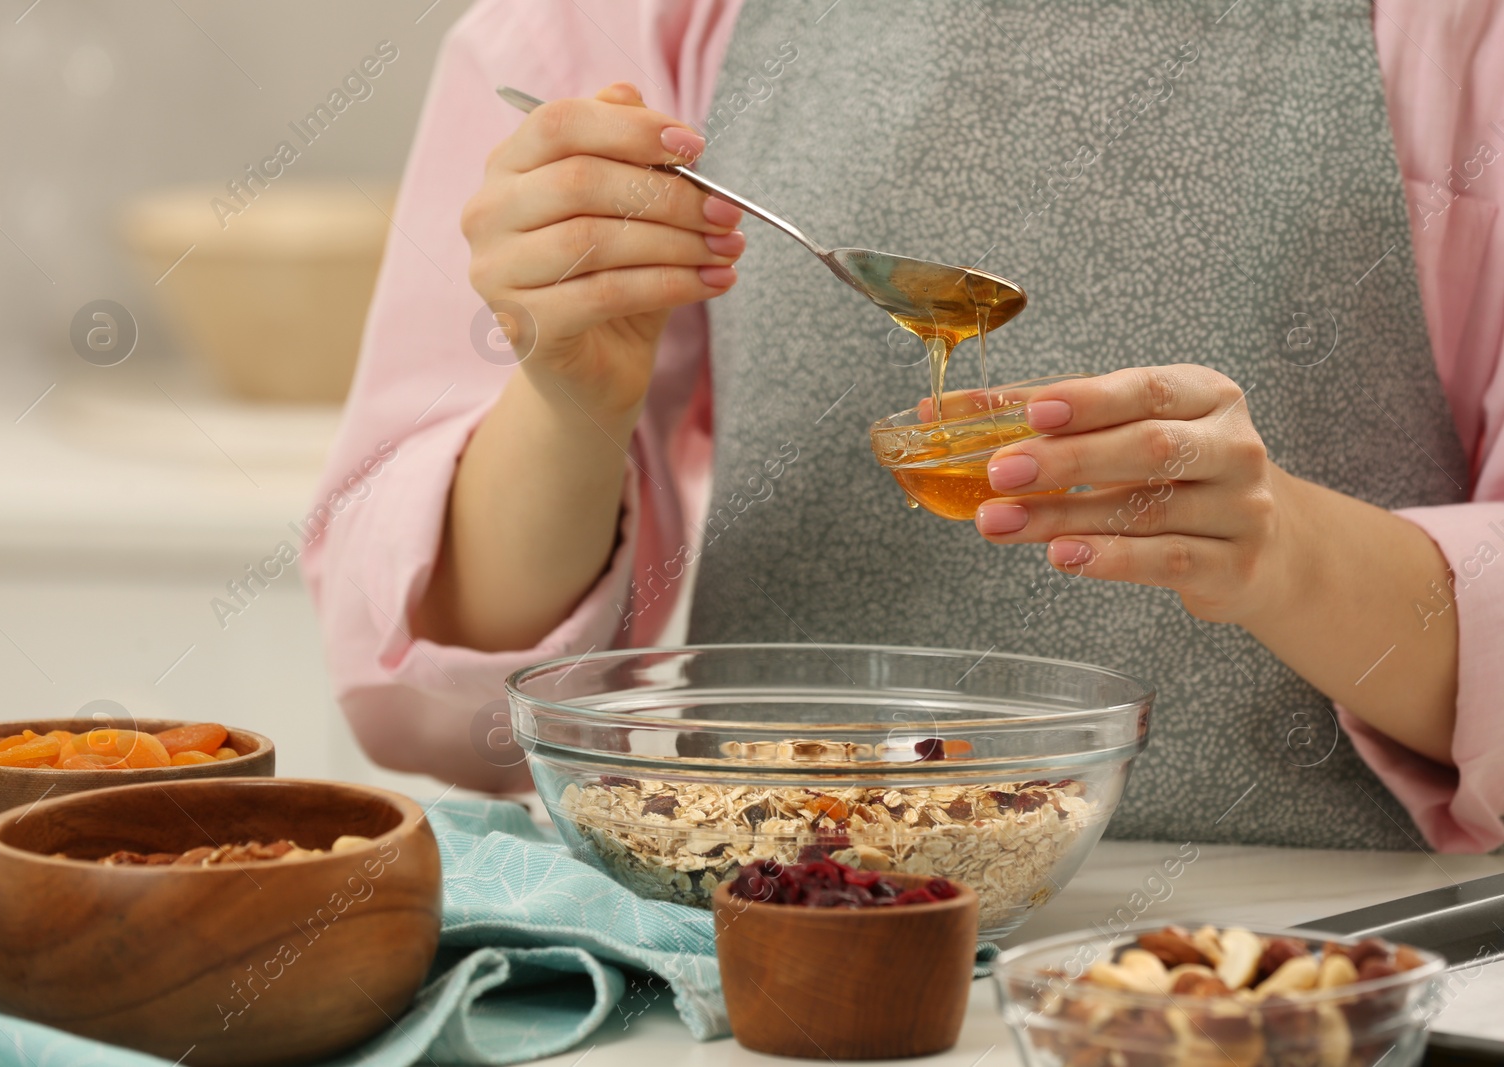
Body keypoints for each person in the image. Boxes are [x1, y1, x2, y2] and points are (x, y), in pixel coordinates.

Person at [303, 0, 1504, 852]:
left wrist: (1283, 551)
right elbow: (443, 708)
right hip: (770, 930)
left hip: (1311, 965)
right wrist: (567, 401)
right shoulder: (616, 20)